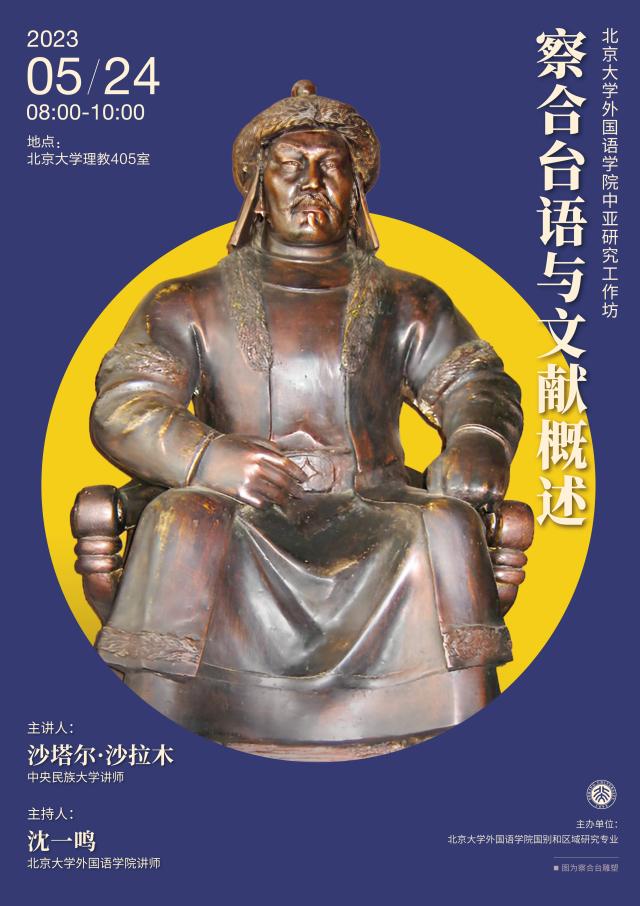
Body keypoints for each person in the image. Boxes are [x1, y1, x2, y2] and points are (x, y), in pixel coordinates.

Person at [90, 81, 524, 757]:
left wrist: (478, 436)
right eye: (291, 166)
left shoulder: (408, 299)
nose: (311, 183)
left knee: (445, 525)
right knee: (183, 521)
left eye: (331, 168)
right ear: (258, 192)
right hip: (236, 508)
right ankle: (171, 718)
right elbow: (124, 402)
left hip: (375, 503)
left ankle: (442, 720)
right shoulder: (187, 300)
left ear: (356, 192)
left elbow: (475, 380)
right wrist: (206, 456)